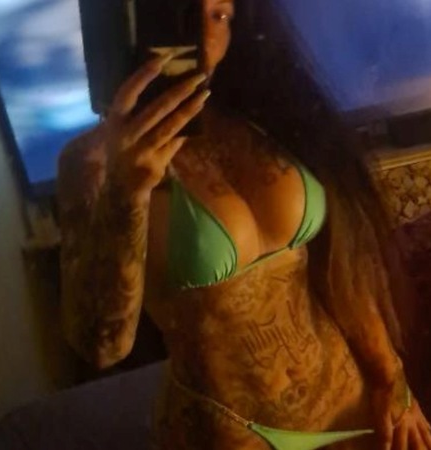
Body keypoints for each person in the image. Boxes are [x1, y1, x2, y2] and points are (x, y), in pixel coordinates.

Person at [57, 0, 431, 449]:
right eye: (184, 14)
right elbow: (101, 346)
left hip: (352, 405)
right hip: (230, 432)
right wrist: (125, 194)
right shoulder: (92, 163)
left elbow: (339, 266)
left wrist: (391, 377)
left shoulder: (261, 117)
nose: (205, 36)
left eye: (220, 15)